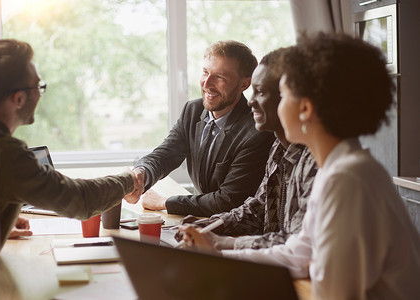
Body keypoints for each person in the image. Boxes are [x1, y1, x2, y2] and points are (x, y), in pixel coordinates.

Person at [181, 33, 420, 299]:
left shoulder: (347, 179)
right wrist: (217, 253)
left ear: (305, 108)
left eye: (283, 94)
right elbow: (299, 251)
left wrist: (219, 255)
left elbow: (331, 291)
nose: (251, 103)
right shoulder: (340, 168)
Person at [0, 39, 142, 249]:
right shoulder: (5, 153)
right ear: (18, 99)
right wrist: (128, 181)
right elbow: (80, 200)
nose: (40, 94)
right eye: (38, 86)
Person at [179, 47, 318, 251]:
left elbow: (297, 243)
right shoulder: (279, 148)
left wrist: (222, 243)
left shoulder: (315, 162)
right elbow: (259, 208)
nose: (250, 101)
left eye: (260, 92)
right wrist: (214, 225)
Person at [134, 40, 273, 217]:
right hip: (201, 221)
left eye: (220, 77)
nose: (207, 83)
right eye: (206, 72)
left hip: (235, 229)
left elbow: (228, 201)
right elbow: (166, 154)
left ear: (244, 85)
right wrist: (140, 173)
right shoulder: (192, 111)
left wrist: (164, 202)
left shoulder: (256, 132)